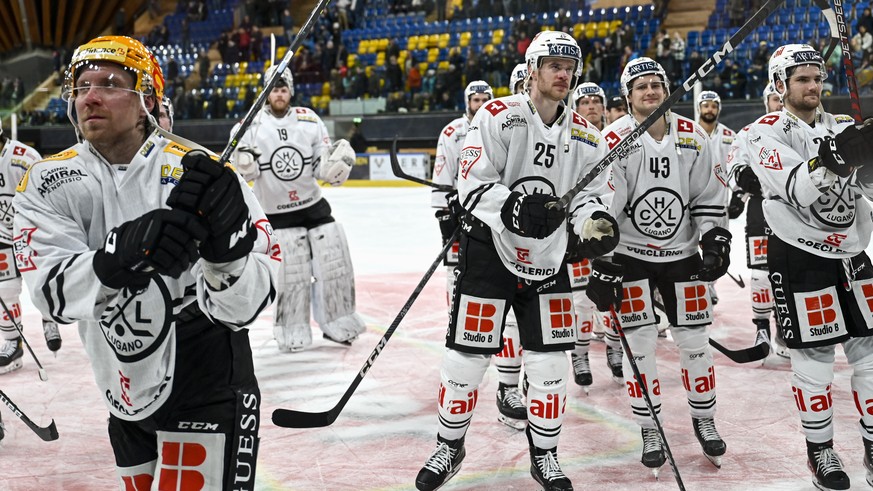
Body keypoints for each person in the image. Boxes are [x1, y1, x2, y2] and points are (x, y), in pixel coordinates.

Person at [12, 35, 278, 488]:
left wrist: (227, 256)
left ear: (147, 100)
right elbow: (51, 295)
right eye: (80, 85)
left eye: (110, 83)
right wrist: (122, 252)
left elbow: (248, 307)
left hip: (206, 369)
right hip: (117, 376)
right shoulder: (46, 180)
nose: (89, 96)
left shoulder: (206, 172)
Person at [415, 30, 618, 491]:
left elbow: (591, 195)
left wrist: (593, 223)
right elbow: (472, 182)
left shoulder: (587, 134)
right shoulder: (497, 115)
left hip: (549, 261)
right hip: (489, 252)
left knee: (549, 365)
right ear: (532, 70)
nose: (563, 74)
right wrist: (513, 207)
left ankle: (544, 455)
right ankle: (450, 446)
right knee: (466, 360)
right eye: (554, 66)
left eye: (570, 67)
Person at [590, 57, 731, 476]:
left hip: (682, 255)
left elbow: (708, 193)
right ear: (627, 96)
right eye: (641, 86)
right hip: (631, 257)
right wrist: (605, 261)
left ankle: (704, 420)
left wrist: (714, 237)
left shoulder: (691, 136)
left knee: (694, 343)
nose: (650, 91)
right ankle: (650, 428)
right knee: (641, 344)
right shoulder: (615, 137)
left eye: (657, 84)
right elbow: (606, 204)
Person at [745, 43, 873, 491]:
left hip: (853, 253)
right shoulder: (761, 133)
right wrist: (838, 156)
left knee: (871, 359)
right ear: (780, 85)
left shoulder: (841, 125)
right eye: (802, 79)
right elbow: (800, 187)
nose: (814, 86)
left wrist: (869, 155)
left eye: (817, 78)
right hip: (799, 255)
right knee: (815, 364)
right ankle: (821, 451)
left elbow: (867, 189)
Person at [231, 65, 365, 352]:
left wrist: (334, 166)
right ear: (266, 93)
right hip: (276, 212)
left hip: (313, 206)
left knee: (334, 261)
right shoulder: (248, 126)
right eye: (274, 89)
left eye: (283, 88)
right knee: (292, 274)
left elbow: (322, 163)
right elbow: (238, 174)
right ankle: (291, 328)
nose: (279, 94)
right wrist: (244, 164)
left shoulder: (309, 120)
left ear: (290, 91)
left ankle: (338, 321)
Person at [431, 80, 527, 430]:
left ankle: (507, 385)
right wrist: (444, 217)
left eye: (486, 98)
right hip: (464, 223)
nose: (481, 102)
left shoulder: (504, 122)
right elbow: (444, 176)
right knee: (463, 306)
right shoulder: (453, 132)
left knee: (510, 315)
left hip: (501, 228)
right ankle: (460, 371)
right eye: (475, 98)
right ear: (466, 101)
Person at [566, 81, 624, 390]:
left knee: (612, 298)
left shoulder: (617, 137)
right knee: (581, 302)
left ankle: (615, 350)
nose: (591, 105)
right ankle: (579, 354)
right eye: (584, 101)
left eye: (595, 100)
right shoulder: (570, 138)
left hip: (613, 231)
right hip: (580, 231)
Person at [725, 82, 787, 357]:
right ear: (766, 102)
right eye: (774, 98)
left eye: (781, 97)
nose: (779, 103)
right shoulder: (750, 132)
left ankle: (785, 328)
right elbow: (734, 163)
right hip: (761, 208)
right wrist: (740, 185)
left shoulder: (803, 130)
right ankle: (761, 326)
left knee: (789, 273)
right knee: (761, 274)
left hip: (796, 211)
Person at [0, 127, 60, 372]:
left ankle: (49, 316)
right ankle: (13, 343)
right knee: (5, 289)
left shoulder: (23, 158)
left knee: (41, 283)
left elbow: (49, 195)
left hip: (32, 233)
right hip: (3, 235)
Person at [695, 90, 736, 306]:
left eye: (713, 105)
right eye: (706, 105)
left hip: (720, 200)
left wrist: (740, 194)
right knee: (693, 242)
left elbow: (737, 165)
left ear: (719, 108)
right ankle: (696, 283)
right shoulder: (688, 133)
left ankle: (710, 285)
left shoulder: (730, 136)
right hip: (693, 198)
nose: (709, 109)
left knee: (718, 244)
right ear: (699, 108)